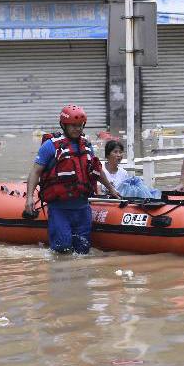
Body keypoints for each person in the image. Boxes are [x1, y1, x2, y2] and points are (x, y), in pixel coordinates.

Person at [25, 105, 119, 254]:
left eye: (80, 126)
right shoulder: (51, 146)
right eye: (73, 126)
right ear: (64, 125)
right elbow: (35, 171)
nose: (77, 129)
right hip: (59, 209)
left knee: (83, 251)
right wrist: (29, 197)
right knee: (63, 249)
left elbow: (97, 170)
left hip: (82, 209)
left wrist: (112, 189)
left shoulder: (87, 146)